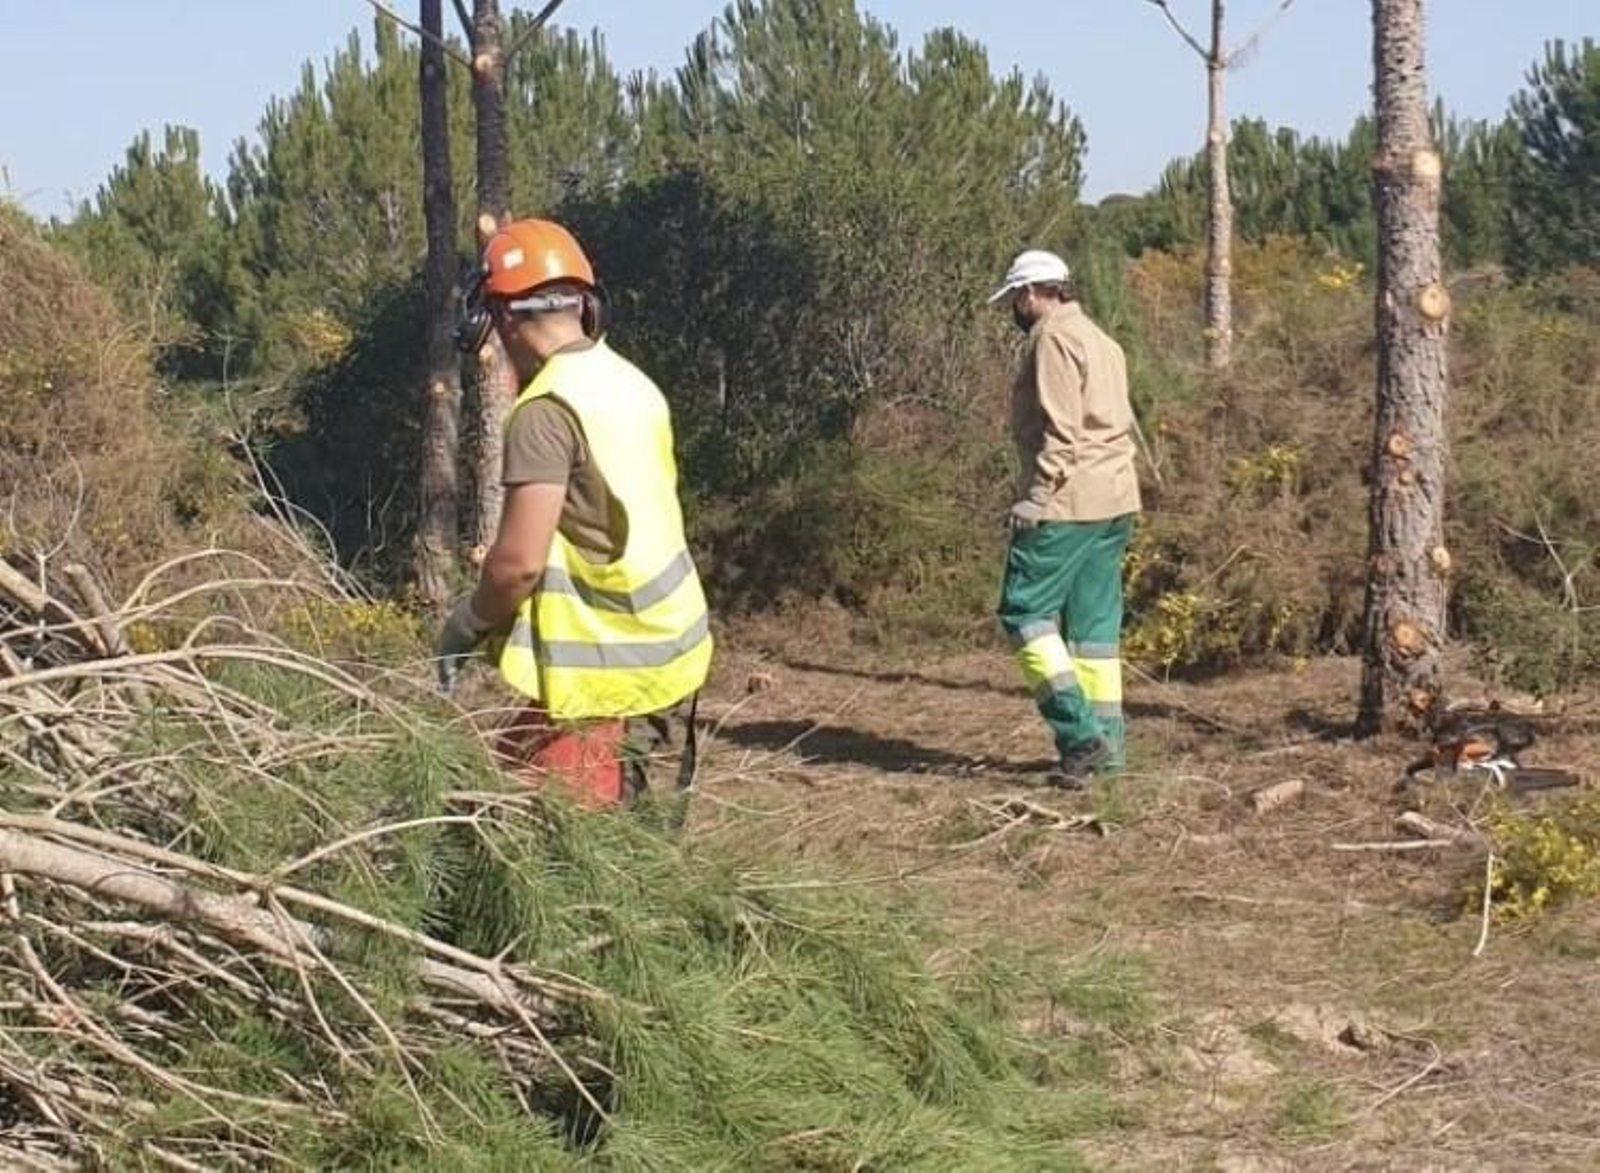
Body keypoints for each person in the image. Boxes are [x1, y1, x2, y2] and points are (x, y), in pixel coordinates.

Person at [435, 218, 712, 812]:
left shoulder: (544, 411)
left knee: (527, 841)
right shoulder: (631, 383)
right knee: (640, 842)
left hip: (605, 674)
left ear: (499, 317)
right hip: (672, 651)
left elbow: (517, 565)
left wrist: (466, 624)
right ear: (586, 305)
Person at [989, 249, 1141, 789]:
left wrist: (1035, 496)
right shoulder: (1101, 339)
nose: (1013, 308)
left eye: (1013, 298)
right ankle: (1110, 747)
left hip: (1068, 502)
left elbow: (1062, 431)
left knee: (1023, 611)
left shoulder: (1051, 338)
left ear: (1032, 293)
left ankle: (1080, 737)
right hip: (1116, 499)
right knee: (1095, 634)